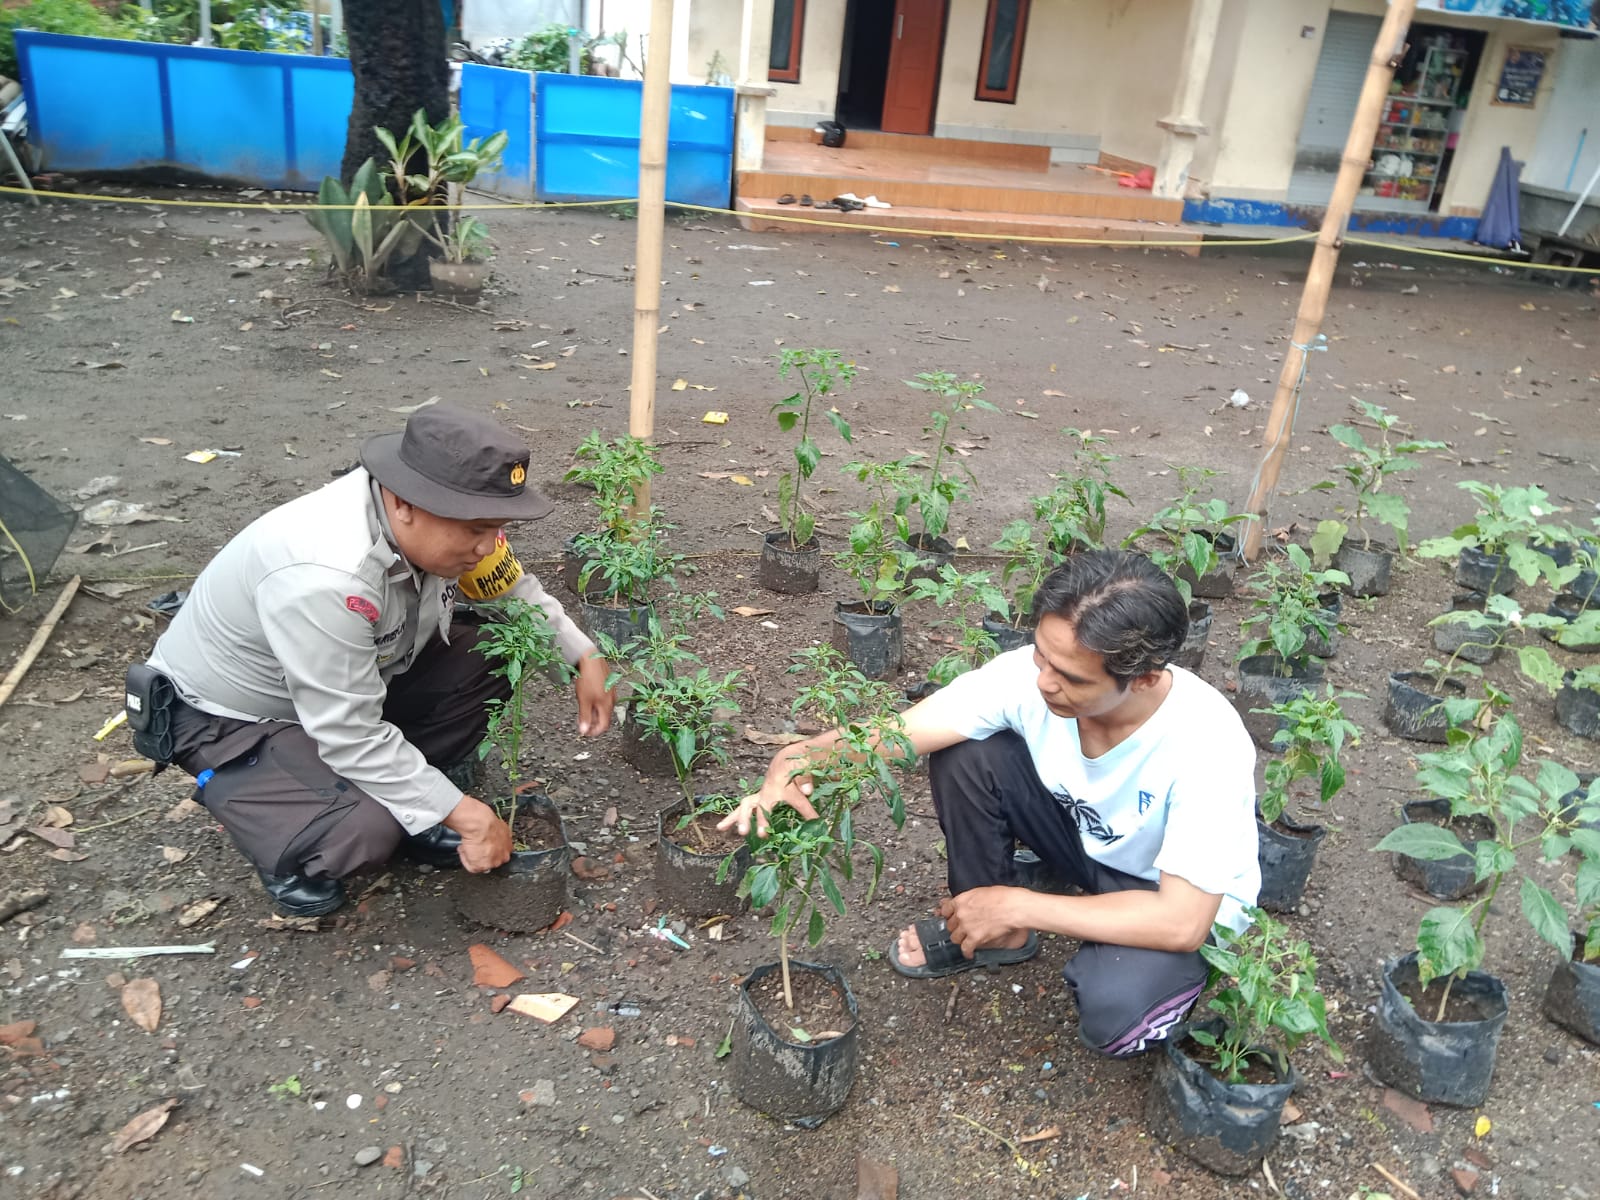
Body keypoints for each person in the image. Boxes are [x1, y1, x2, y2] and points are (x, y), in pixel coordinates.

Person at [721, 549, 1259, 1057]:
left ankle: (1030, 924)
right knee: (966, 752)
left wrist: (1017, 901)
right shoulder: (1031, 678)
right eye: (1041, 655)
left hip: (1165, 892)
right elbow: (905, 731)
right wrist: (797, 758)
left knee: (1115, 1015)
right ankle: (998, 933)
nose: (1044, 682)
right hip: (1086, 846)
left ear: (1143, 677)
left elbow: (1181, 922)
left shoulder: (1206, 743)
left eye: (1069, 676)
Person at [128, 406, 614, 917]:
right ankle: (288, 843)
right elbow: (348, 732)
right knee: (362, 830)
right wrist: (467, 815)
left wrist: (584, 655)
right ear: (404, 502)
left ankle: (400, 798)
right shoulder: (326, 576)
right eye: (477, 528)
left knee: (488, 652)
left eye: (497, 527)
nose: (488, 544)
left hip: (345, 685)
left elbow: (509, 587)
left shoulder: (452, 523)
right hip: (233, 717)